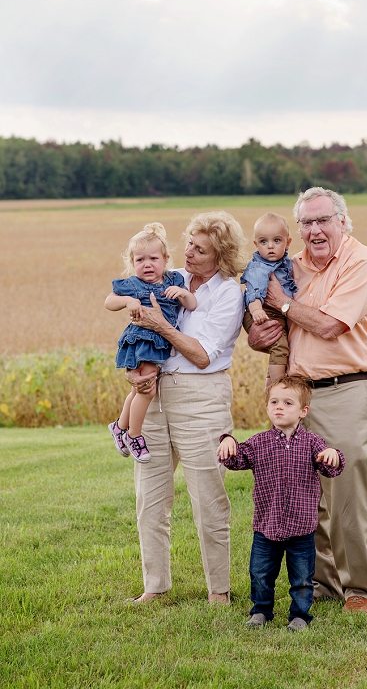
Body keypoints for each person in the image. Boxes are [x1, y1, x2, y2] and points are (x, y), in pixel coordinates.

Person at [247, 187, 367, 614]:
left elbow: (328, 326)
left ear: (342, 221)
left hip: (347, 387)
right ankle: (323, 583)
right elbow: (265, 332)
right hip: (298, 392)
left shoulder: (359, 261)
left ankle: (362, 590)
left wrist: (284, 304)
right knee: (308, 493)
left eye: (323, 220)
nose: (315, 230)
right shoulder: (291, 267)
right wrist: (258, 334)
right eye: (306, 223)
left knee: (346, 490)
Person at [122, 211, 246, 604]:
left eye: (200, 249)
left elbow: (203, 355)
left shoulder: (229, 293)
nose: (188, 253)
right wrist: (134, 372)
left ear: (220, 256)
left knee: (208, 497)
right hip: (154, 393)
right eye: (189, 243)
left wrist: (160, 324)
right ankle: (155, 587)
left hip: (201, 397)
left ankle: (219, 591)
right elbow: (134, 325)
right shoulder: (169, 275)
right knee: (150, 497)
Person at [217, 376, 344, 631]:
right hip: (267, 525)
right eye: (274, 402)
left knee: (302, 578)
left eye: (288, 403)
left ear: (302, 411)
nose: (279, 407)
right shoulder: (258, 442)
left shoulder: (312, 443)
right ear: (267, 408)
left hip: (302, 526)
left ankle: (299, 616)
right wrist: (227, 440)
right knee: (261, 574)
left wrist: (334, 456)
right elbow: (236, 460)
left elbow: (329, 468)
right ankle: (261, 611)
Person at [105, 222, 197, 463]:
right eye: (140, 260)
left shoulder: (173, 281)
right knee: (147, 389)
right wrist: (127, 301)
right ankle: (134, 435)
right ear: (132, 262)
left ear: (165, 259)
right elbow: (108, 301)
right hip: (142, 340)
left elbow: (192, 305)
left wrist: (184, 294)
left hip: (161, 341)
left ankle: (119, 426)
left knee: (140, 388)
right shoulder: (133, 285)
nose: (147, 264)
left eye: (153, 258)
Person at [240, 213, 297, 387]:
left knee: (279, 348)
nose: (270, 247)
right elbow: (253, 292)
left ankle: (270, 384)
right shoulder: (259, 267)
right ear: (256, 245)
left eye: (277, 241)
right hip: (261, 312)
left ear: (288, 243)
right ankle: (279, 386)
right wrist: (257, 310)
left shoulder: (286, 262)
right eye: (264, 242)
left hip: (275, 312)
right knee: (279, 346)